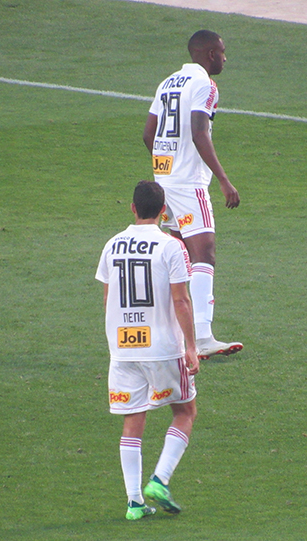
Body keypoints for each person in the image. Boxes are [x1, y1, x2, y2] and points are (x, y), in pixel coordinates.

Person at [96, 180, 200, 520]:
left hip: (123, 348)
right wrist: (192, 346)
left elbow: (108, 298)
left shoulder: (112, 245)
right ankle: (160, 480)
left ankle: (134, 503)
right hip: (162, 348)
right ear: (163, 211)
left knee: (133, 418)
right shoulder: (171, 246)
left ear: (132, 208)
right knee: (185, 412)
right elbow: (181, 300)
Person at [143, 29, 243, 360]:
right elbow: (200, 131)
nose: (225, 58)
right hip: (188, 183)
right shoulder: (205, 85)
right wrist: (224, 180)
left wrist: (166, 168)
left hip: (164, 179)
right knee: (204, 254)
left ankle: (171, 335)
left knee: (179, 255)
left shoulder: (167, 83)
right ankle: (202, 336)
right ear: (210, 54)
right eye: (222, 52)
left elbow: (148, 134)